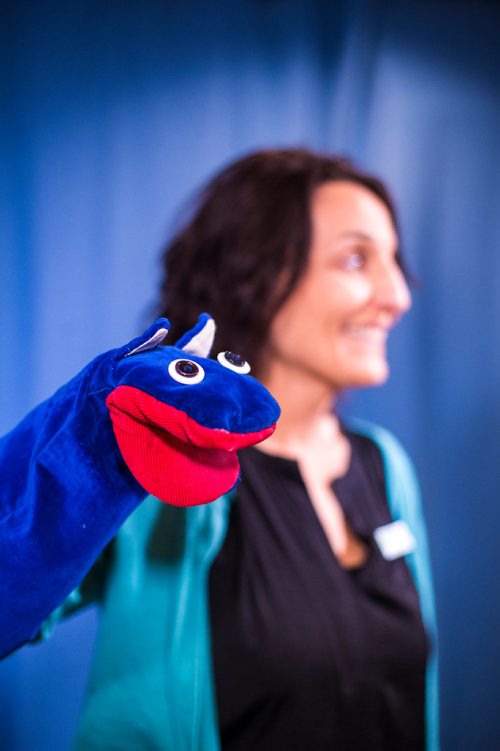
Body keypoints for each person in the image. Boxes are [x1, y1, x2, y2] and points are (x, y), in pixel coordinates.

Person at [39, 149, 440, 749]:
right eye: (357, 259)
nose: (398, 295)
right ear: (257, 273)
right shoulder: (163, 460)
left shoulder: (385, 465)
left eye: (394, 261)